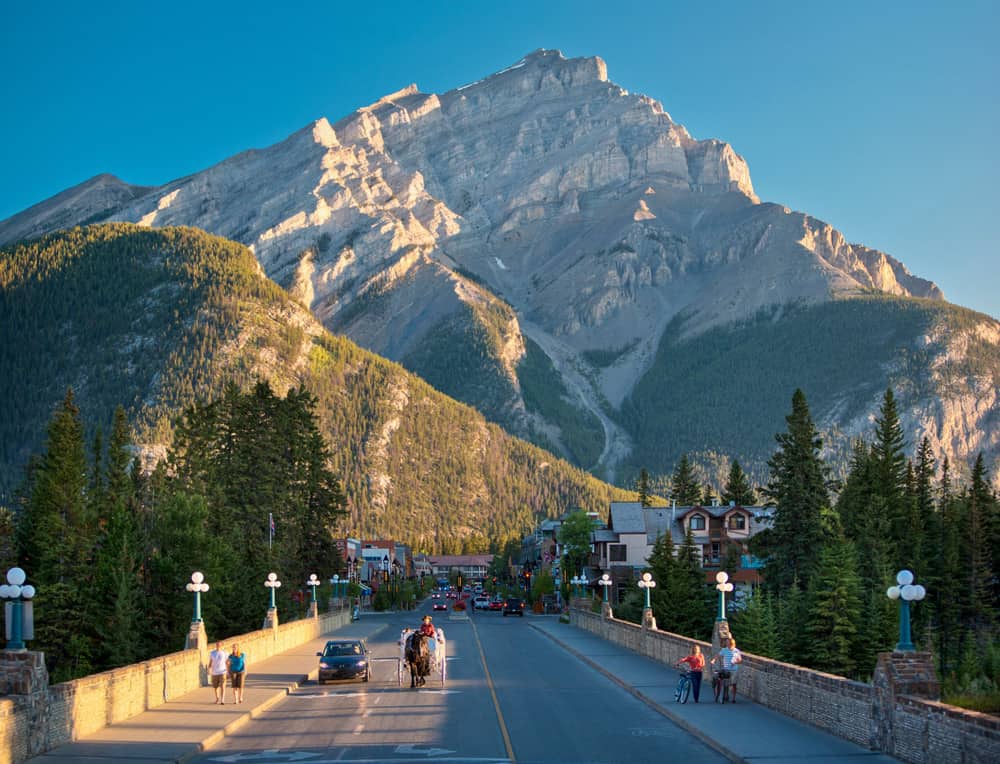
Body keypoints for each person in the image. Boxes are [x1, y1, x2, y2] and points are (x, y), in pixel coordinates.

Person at [711, 637, 742, 702]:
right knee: (719, 679)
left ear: (732, 644)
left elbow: (740, 661)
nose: (726, 643)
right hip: (725, 669)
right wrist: (714, 660)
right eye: (726, 642)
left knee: (733, 684)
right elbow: (718, 655)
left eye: (728, 643)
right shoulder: (724, 650)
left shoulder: (736, 651)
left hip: (733, 670)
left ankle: (733, 698)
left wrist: (735, 662)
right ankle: (718, 695)